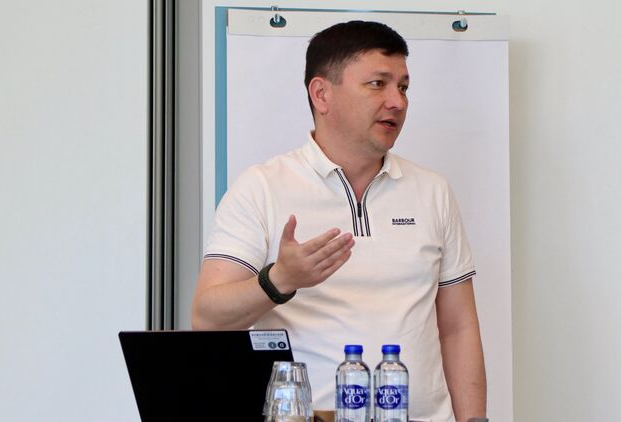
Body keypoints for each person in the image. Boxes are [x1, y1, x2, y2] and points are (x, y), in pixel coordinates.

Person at [193, 20, 487, 421]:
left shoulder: (432, 190)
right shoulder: (261, 187)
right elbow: (207, 318)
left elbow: (458, 327)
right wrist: (280, 280)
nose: (397, 102)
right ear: (322, 94)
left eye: (403, 87)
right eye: (378, 84)